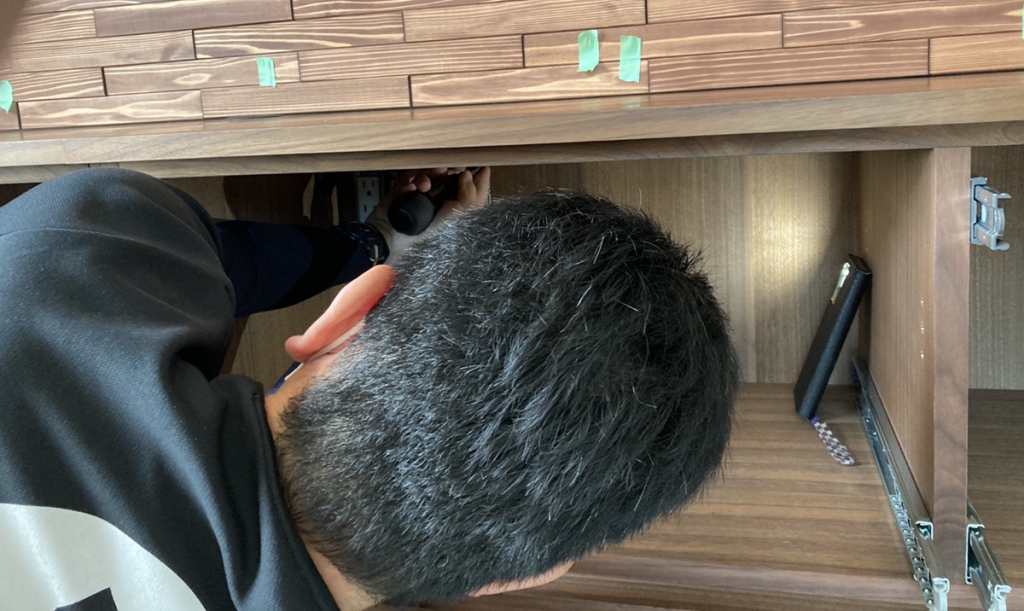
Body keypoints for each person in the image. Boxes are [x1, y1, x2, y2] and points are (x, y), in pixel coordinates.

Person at [0, 166, 738, 609]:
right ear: (522, 577)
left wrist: (380, 248)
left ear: (345, 315)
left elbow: (210, 262)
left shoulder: (73, 255)